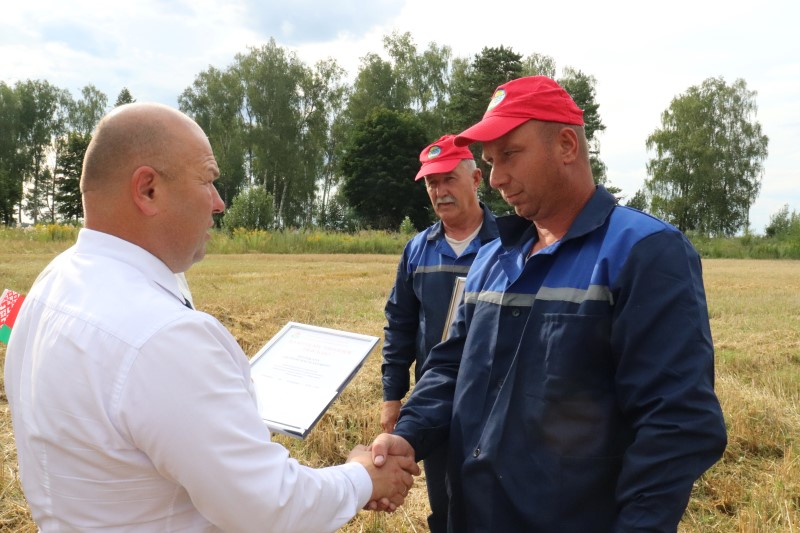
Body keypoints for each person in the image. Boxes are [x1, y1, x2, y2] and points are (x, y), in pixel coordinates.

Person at [4, 102, 418, 533]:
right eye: (207, 180)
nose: (219, 203)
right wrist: (362, 476)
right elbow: (271, 506)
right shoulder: (163, 337)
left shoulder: (51, 284)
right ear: (148, 190)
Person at [371, 76, 727, 532]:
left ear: (566, 145)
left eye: (510, 154)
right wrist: (407, 435)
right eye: (490, 161)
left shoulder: (644, 252)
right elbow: (449, 369)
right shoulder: (490, 260)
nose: (496, 178)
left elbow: (675, 423)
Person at [381, 134, 498, 532]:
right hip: (435, 398)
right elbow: (399, 324)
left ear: (476, 179)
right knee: (444, 502)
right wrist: (392, 395)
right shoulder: (417, 250)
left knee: (493, 500)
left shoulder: (508, 246)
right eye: (432, 183)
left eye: (449, 179)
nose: (440, 191)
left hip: (494, 400)